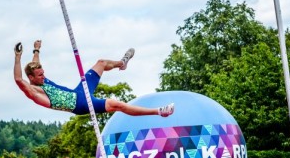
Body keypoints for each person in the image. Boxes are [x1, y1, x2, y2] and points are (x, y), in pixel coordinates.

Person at [13, 40, 175, 117]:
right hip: (80, 105)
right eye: (40, 75)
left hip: (79, 92)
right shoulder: (35, 91)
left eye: (43, 73)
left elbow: (36, 64)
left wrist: (36, 49)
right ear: (31, 78)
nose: (43, 76)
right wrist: (18, 57)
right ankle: (159, 111)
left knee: (101, 63)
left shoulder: (40, 77)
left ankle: (121, 63)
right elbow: (19, 80)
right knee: (115, 104)